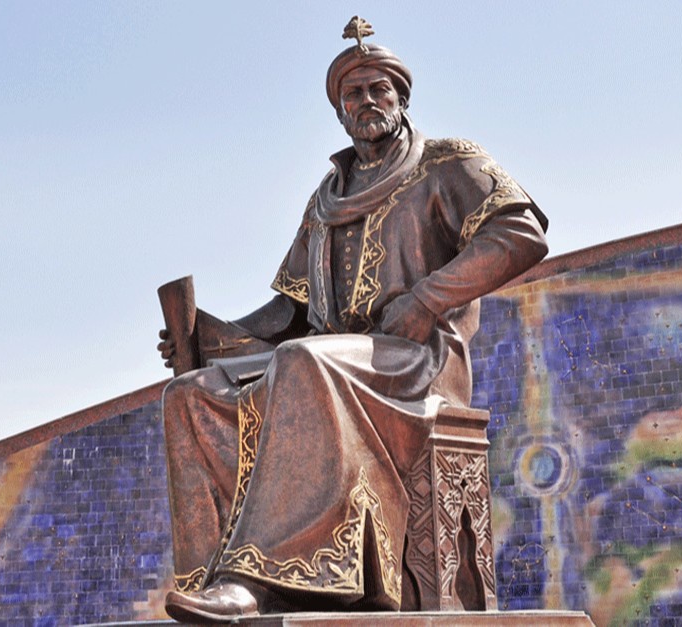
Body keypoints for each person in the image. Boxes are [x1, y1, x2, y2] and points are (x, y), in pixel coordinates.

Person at [158, 18, 549, 622]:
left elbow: (520, 235)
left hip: (415, 361)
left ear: (401, 98)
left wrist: (427, 299)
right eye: (352, 94)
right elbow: (288, 313)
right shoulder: (325, 199)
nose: (366, 101)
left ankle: (264, 578)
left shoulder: (447, 162)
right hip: (332, 362)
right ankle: (210, 576)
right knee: (190, 394)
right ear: (340, 113)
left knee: (303, 360)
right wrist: (205, 337)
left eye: (377, 89)